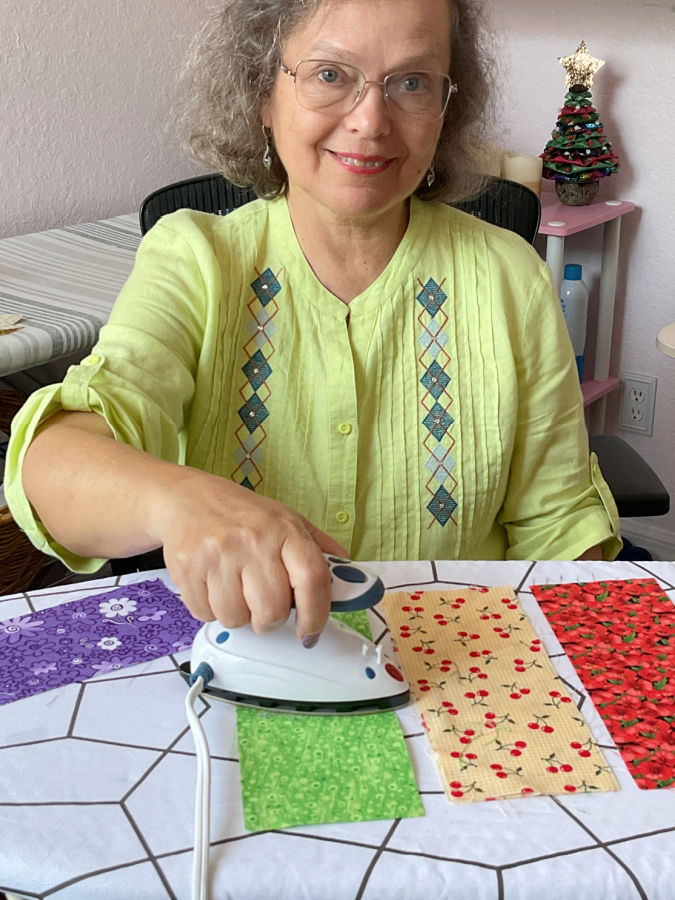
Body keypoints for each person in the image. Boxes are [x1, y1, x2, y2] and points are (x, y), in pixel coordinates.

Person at [5, 0, 621, 647]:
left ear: (446, 108)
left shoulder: (510, 276)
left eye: (412, 82)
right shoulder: (194, 258)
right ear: (262, 94)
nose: (370, 120)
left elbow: (558, 530)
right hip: (252, 666)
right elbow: (54, 468)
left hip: (467, 665)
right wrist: (180, 501)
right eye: (330, 74)